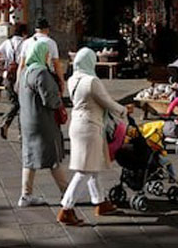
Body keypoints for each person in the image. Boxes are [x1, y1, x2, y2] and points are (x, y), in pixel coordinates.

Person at [58, 48, 127, 225]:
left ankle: (100, 201)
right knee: (85, 170)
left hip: (78, 124)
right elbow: (107, 102)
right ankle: (66, 208)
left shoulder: (73, 78)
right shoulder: (92, 81)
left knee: (92, 165)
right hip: (90, 126)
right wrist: (123, 110)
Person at [18, 39, 68, 207]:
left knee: (29, 157)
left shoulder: (25, 72)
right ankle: (67, 193)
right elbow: (50, 101)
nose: (48, 56)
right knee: (53, 156)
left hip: (27, 121)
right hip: (43, 122)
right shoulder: (41, 74)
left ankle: (26, 194)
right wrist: (59, 100)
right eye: (46, 53)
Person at [0, 22, 29, 139]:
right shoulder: (26, 43)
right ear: (24, 32)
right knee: (22, 105)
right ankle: (20, 132)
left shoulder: (7, 43)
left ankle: (8, 124)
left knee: (15, 103)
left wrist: (1, 69)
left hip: (9, 76)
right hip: (21, 77)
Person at [19, 18, 64, 91]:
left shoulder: (27, 42)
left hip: (28, 75)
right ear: (47, 29)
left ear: (36, 29)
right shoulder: (51, 42)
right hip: (45, 75)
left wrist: (18, 81)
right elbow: (56, 64)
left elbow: (21, 64)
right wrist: (61, 81)